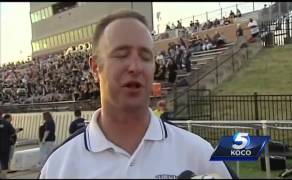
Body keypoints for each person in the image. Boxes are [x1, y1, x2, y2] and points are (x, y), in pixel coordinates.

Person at [39, 10, 236, 179]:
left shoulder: (199, 155)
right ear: (95, 67)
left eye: (145, 56)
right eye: (121, 55)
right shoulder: (59, 167)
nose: (135, 67)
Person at [0, 111, 15, 179]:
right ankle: (3, 176)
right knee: (4, 162)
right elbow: (12, 132)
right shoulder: (7, 123)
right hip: (4, 146)